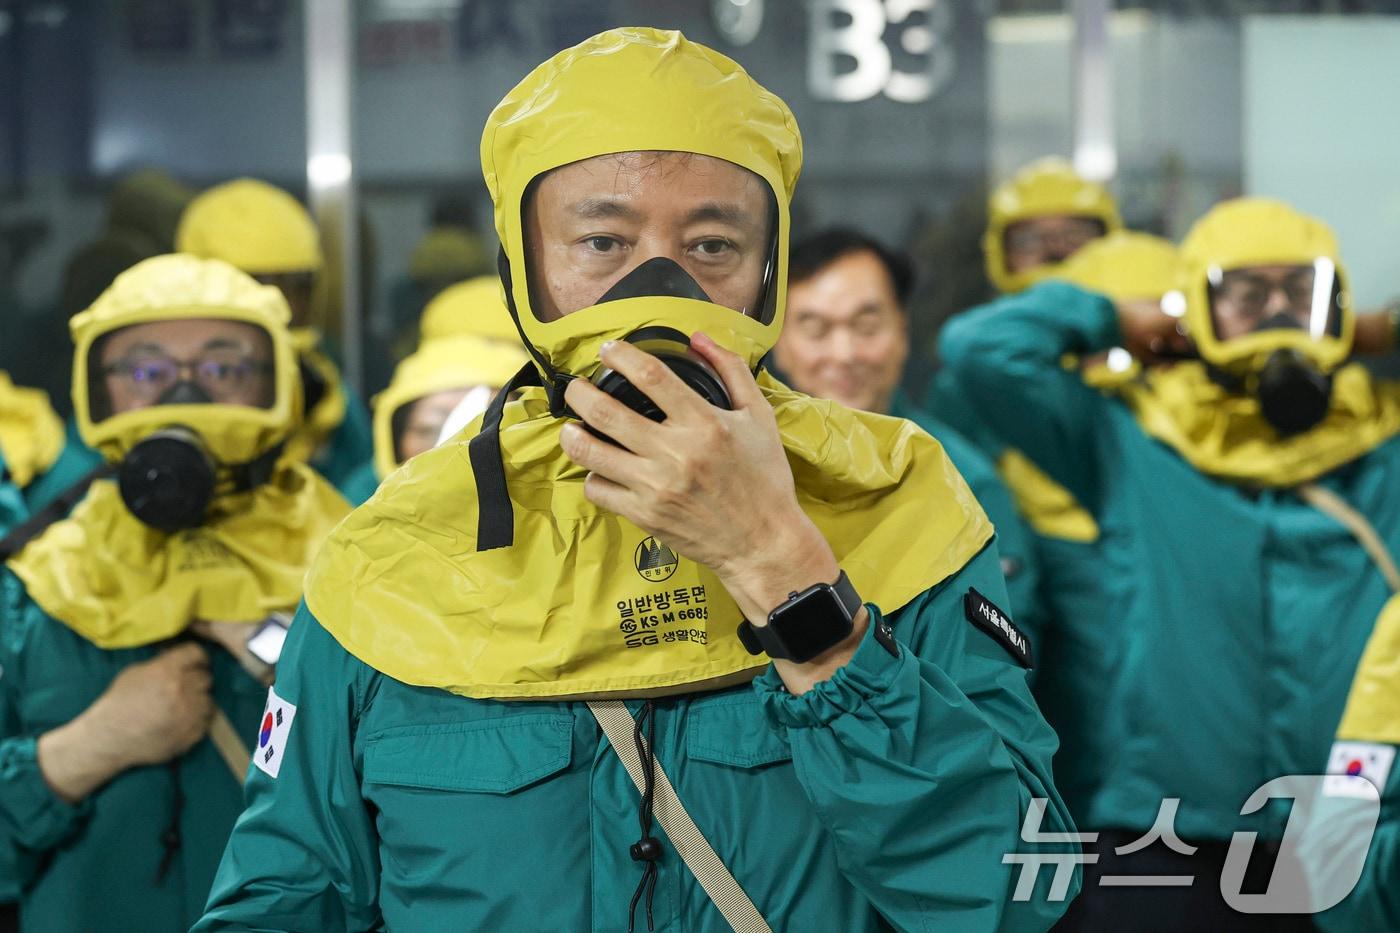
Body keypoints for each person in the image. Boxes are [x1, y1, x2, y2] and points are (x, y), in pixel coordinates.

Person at [197, 28, 1076, 932]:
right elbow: (281, 897)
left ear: (766, 269)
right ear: (522, 268)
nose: (658, 287)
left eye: (712, 246)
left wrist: (780, 564)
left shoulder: (898, 501)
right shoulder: (390, 559)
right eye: (603, 242)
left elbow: (1016, 892)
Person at [939, 197, 1400, 929]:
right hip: (1170, 833)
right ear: (1199, 310)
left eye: (1301, 296)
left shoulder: (1382, 452)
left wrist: (1380, 329)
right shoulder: (1133, 442)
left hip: (1345, 832)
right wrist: (1116, 320)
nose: (1277, 316)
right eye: (1249, 298)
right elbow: (980, 350)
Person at [0, 255, 350, 931]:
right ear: (97, 392)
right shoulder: (38, 589)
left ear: (276, 383)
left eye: (224, 369)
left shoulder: (355, 568)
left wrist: (281, 661)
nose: (183, 394)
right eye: (144, 370)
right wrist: (80, 750)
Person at [771, 227, 1041, 630]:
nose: (844, 354)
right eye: (815, 328)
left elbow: (997, 661)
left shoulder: (964, 479)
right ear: (779, 342)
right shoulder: (753, 470)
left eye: (866, 325)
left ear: (902, 330)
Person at [177, 178, 373, 494]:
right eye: (255, 284)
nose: (284, 306)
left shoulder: (329, 397)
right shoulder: (153, 393)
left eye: (298, 285)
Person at [340, 330, 529, 505]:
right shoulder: (361, 498)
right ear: (395, 438)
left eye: (491, 427)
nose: (455, 446)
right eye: (430, 429)